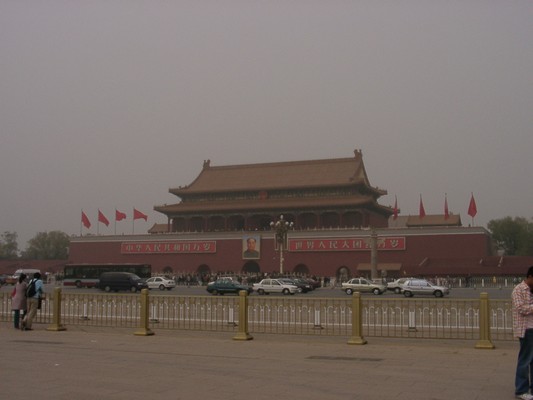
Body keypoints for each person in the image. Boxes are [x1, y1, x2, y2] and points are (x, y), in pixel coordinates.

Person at [512, 266, 533, 400]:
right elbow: (521, 308)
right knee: (525, 360)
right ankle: (521, 390)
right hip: (526, 329)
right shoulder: (518, 290)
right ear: (530, 276)